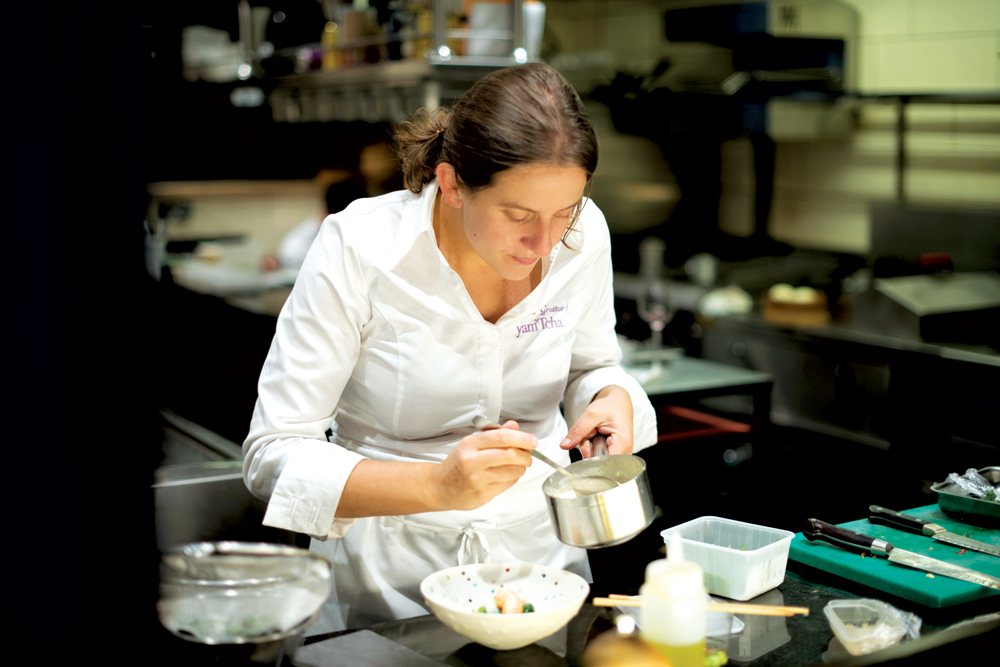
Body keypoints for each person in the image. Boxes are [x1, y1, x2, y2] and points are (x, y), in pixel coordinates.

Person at [242, 62, 657, 635]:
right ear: (454, 183)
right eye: (518, 215)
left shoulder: (583, 236)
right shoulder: (360, 247)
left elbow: (592, 364)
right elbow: (272, 452)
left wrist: (609, 395)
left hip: (542, 566)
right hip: (388, 577)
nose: (544, 244)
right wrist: (436, 487)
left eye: (565, 212)